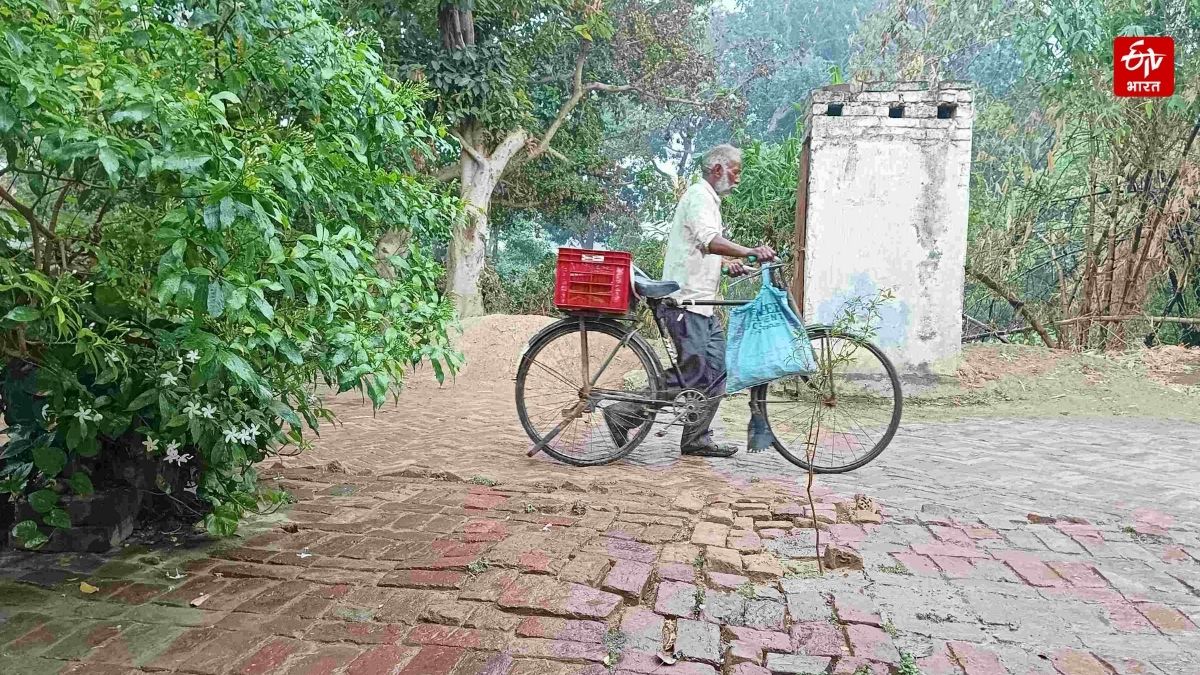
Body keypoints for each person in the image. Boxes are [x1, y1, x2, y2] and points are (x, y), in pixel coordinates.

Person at [604, 144, 776, 457]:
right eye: (736, 172)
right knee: (691, 374)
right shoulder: (699, 196)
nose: (738, 180)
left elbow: (701, 249)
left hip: (703, 305)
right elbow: (709, 241)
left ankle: (696, 438)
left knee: (717, 369)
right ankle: (623, 412)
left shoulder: (710, 201)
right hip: (686, 303)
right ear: (718, 169)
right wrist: (750, 250)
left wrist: (729, 265)